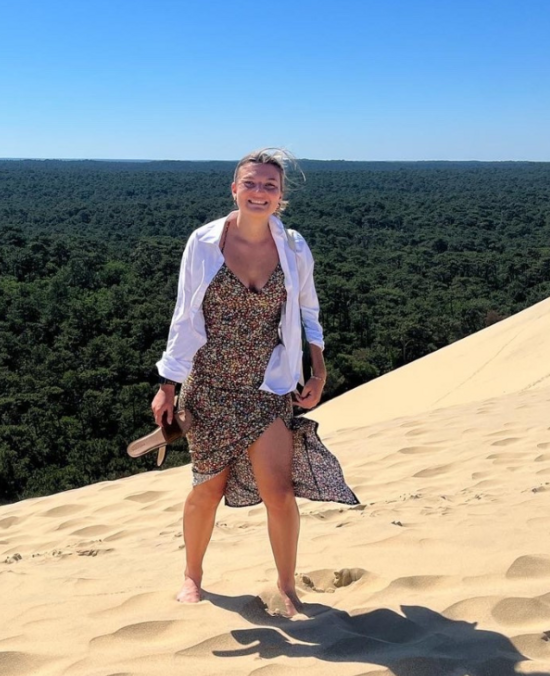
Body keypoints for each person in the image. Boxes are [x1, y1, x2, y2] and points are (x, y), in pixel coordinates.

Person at [152, 148, 358, 616]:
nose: (259, 192)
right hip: (210, 386)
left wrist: (319, 369)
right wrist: (168, 383)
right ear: (235, 189)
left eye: (269, 186)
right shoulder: (203, 244)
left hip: (268, 386)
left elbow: (309, 311)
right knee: (207, 489)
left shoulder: (295, 248)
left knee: (279, 492)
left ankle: (287, 586)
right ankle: (192, 576)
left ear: (280, 196)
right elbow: (184, 317)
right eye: (251, 183)